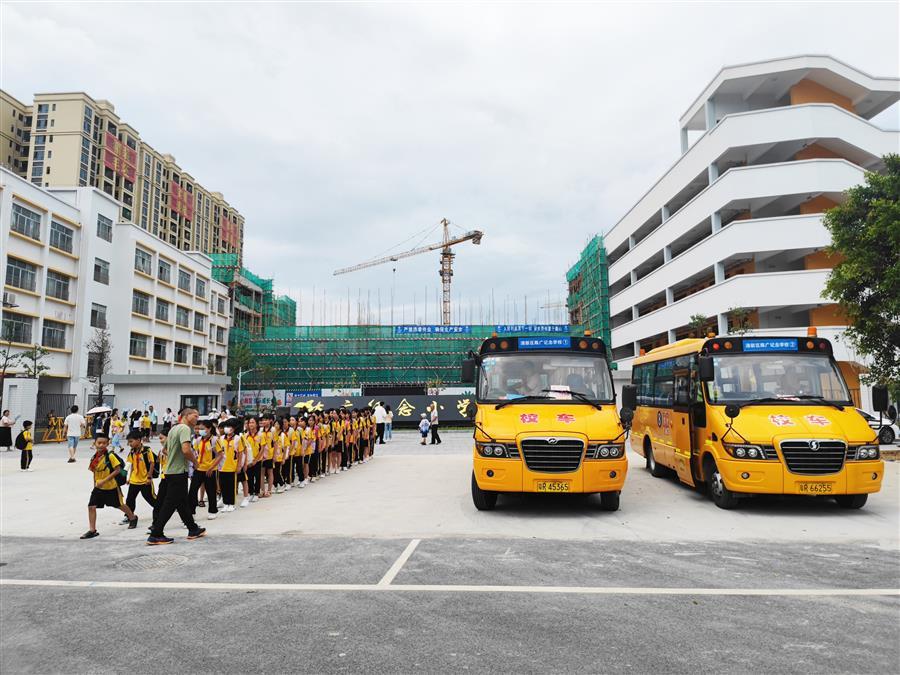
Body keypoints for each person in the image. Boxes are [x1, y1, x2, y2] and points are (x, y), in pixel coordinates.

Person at [147, 408, 206, 545]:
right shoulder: (185, 429)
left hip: (169, 471)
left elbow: (165, 450)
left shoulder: (173, 429)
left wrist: (174, 457)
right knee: (170, 503)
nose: (197, 418)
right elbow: (186, 450)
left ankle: (193, 529)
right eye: (195, 416)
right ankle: (156, 534)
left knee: (181, 502)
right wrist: (195, 462)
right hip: (178, 472)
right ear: (186, 415)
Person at [81, 433, 137, 539]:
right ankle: (92, 530)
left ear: (108, 444)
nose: (101, 445)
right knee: (91, 506)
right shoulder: (95, 457)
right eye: (99, 443)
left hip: (111, 487)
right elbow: (94, 472)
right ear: (95, 443)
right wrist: (96, 484)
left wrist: (104, 480)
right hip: (99, 488)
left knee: (119, 505)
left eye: (104, 443)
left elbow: (117, 470)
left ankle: (132, 517)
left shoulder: (110, 456)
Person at [122, 429, 156, 519]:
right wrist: (128, 477)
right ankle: (129, 515)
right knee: (130, 499)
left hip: (145, 480)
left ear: (138, 440)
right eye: (128, 442)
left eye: (131, 441)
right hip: (134, 480)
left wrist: (149, 477)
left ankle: (161, 510)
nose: (130, 444)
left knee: (150, 498)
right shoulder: (132, 452)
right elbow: (130, 464)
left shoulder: (146, 450)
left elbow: (152, 463)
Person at [189, 419, 220, 519]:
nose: (199, 431)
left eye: (202, 429)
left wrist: (211, 467)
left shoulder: (215, 440)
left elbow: (219, 455)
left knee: (211, 491)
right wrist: (194, 464)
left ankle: (213, 511)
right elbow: (195, 453)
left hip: (210, 469)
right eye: (198, 429)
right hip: (198, 469)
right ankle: (191, 512)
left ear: (209, 429)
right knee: (192, 491)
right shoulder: (198, 440)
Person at [218, 419, 241, 512]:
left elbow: (240, 453)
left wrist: (239, 466)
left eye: (230, 427)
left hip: (232, 466)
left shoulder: (238, 438)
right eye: (226, 426)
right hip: (222, 467)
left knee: (231, 487)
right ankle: (225, 503)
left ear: (234, 428)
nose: (227, 428)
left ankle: (231, 504)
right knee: (223, 486)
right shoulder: (221, 438)